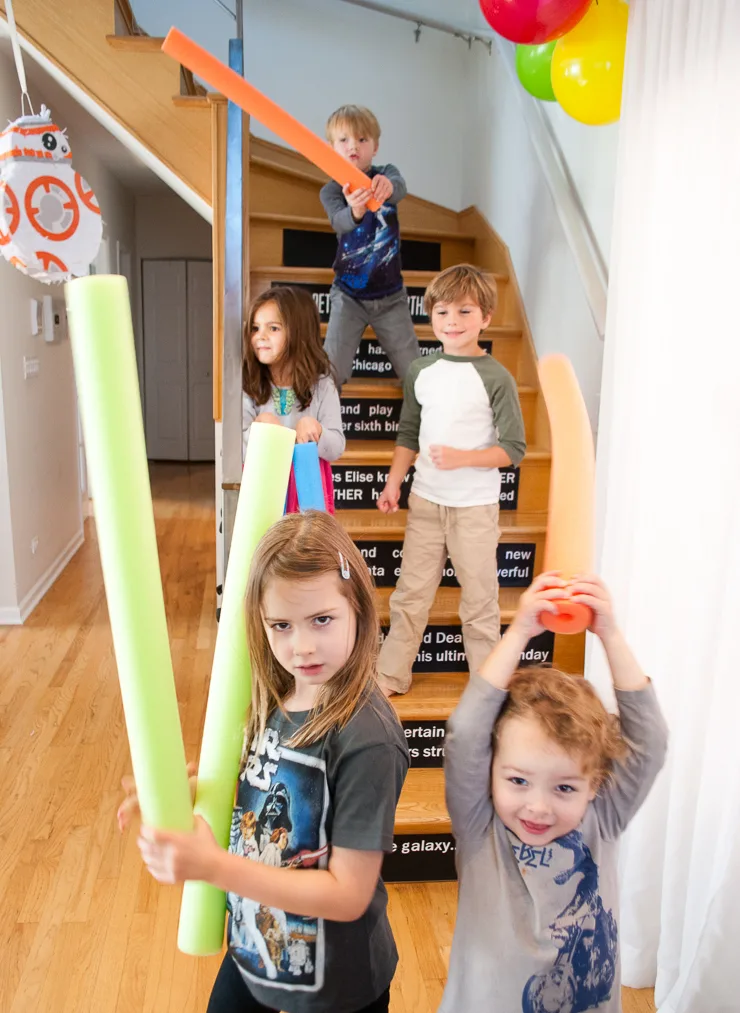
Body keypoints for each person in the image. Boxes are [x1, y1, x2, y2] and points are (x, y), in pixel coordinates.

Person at [117, 511, 409, 1013]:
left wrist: (214, 866)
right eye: (281, 625)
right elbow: (252, 776)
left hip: (335, 989)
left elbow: (347, 894)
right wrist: (173, 789)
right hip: (255, 950)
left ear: (358, 608)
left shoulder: (369, 739)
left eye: (322, 619)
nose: (302, 646)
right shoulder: (272, 695)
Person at [440, 571, 669, 1013]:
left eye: (564, 787)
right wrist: (521, 629)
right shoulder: (479, 824)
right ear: (490, 772)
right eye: (518, 780)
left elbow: (650, 742)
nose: (538, 807)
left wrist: (610, 633)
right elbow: (466, 732)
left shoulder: (602, 819)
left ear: (595, 785)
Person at [376, 263, 526, 695]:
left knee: (480, 602)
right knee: (409, 596)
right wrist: (393, 483)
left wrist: (464, 458)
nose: (452, 322)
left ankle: (488, 685)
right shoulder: (421, 372)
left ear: (486, 318)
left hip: (475, 509)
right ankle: (391, 675)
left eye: (464, 312)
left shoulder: (496, 377)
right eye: (442, 313)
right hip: (425, 501)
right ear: (430, 317)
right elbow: (408, 433)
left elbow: (513, 449)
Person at [320, 104, 419, 384]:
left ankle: (422, 425)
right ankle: (326, 426)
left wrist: (388, 185)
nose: (354, 146)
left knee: (414, 372)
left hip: (391, 298)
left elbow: (399, 187)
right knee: (330, 373)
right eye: (344, 140)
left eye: (362, 139)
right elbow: (339, 222)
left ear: (375, 146)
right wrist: (355, 212)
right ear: (332, 148)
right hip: (348, 296)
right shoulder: (330, 191)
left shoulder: (385, 173)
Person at [243, 286, 345, 513]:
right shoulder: (247, 385)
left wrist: (317, 432)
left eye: (274, 328)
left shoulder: (323, 387)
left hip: (306, 497)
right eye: (255, 328)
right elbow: (236, 448)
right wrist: (260, 432)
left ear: (298, 332)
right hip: (262, 493)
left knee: (304, 548)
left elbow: (337, 446)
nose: (260, 336)